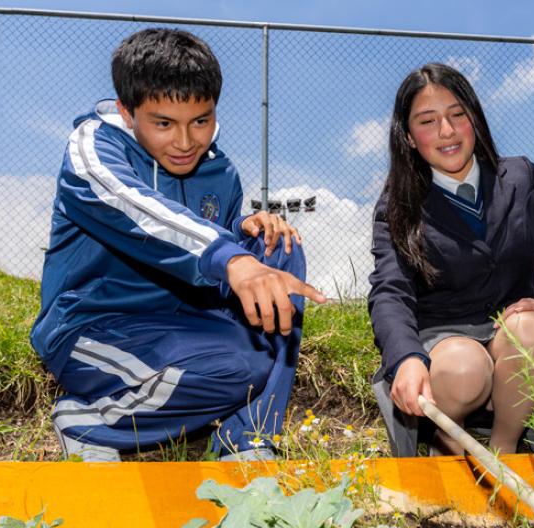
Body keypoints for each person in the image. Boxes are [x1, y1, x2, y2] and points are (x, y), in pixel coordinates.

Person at [29, 28, 326, 462]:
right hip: (95, 328)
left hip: (183, 327)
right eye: (164, 123)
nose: (186, 142)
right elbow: (138, 210)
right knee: (236, 354)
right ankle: (91, 423)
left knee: (274, 246)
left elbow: (212, 232)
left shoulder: (219, 172)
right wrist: (230, 258)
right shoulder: (93, 147)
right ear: (127, 112)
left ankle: (248, 439)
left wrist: (244, 229)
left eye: (201, 121)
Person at [368, 63, 534, 455]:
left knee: (531, 331)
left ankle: (504, 451)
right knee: (465, 368)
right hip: (445, 348)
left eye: (457, 115)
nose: (446, 131)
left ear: (475, 119)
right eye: (427, 121)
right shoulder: (397, 203)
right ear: (409, 137)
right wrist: (406, 358)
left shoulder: (520, 177)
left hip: (511, 334)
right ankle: (448, 446)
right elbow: (389, 291)